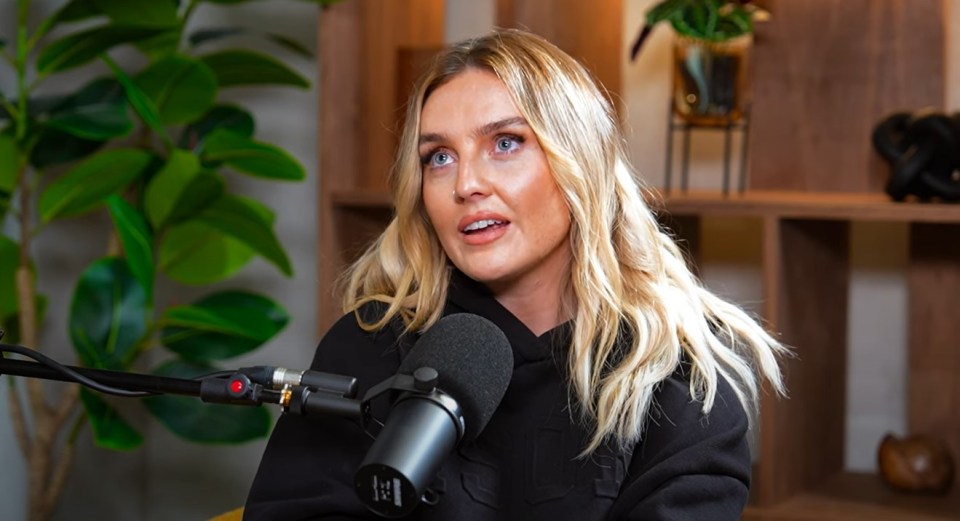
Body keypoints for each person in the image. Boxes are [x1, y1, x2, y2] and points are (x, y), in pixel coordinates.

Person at [244, 28, 788, 520]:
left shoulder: (679, 367)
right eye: (438, 157)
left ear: (579, 163)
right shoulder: (371, 345)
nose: (466, 184)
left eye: (505, 143)